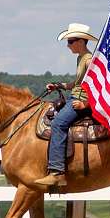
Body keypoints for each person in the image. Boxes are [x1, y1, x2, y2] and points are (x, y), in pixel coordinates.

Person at [34, 23, 98, 187]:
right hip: (74, 97)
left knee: (58, 124)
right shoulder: (81, 58)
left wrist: (86, 104)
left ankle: (57, 172)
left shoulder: (89, 60)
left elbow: (98, 85)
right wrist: (60, 85)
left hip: (79, 102)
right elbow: (78, 83)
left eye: (70, 41)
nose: (68, 45)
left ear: (81, 41)